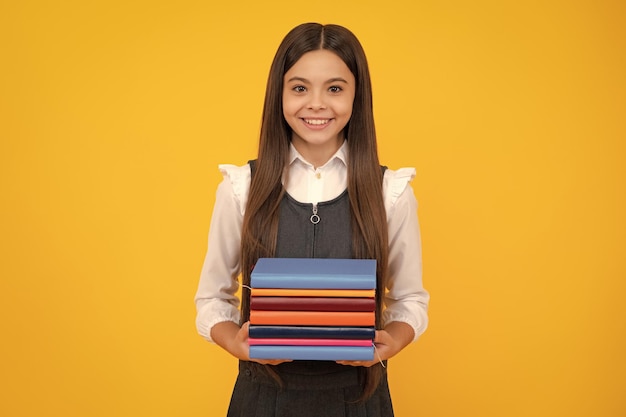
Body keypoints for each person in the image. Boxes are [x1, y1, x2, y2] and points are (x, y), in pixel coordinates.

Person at [195, 22, 429, 417]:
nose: (317, 104)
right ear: (279, 95)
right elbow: (212, 298)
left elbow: (409, 300)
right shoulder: (241, 188)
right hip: (261, 401)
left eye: (335, 88)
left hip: (360, 401)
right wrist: (235, 342)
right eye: (300, 87)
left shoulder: (391, 191)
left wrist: (394, 340)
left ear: (358, 95)